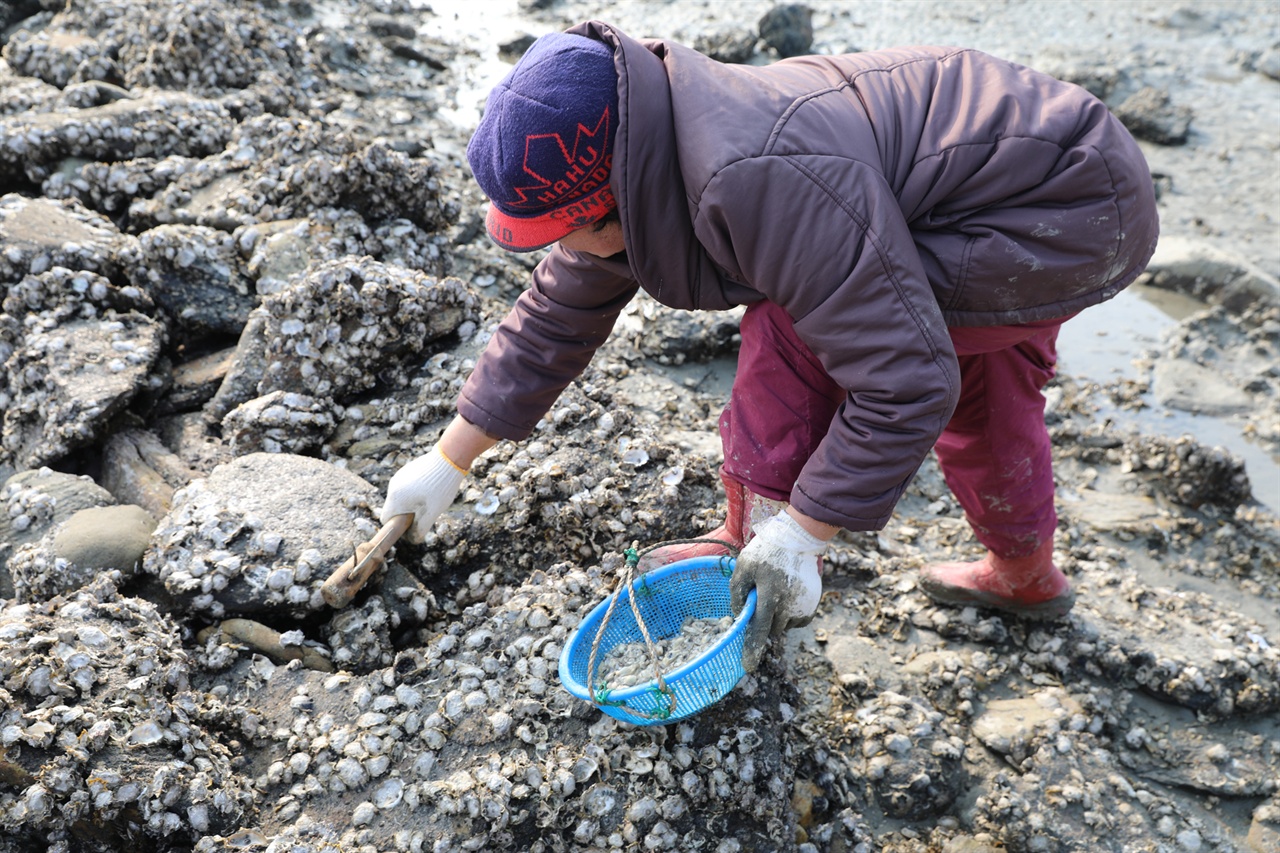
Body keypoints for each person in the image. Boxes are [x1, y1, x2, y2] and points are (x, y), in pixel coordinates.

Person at [380, 21, 1159, 672]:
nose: (566, 250)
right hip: (1026, 174)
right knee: (980, 372)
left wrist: (804, 532)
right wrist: (449, 459)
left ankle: (752, 537)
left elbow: (906, 381)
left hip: (1064, 209)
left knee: (798, 324)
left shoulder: (754, 178)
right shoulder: (646, 131)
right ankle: (1024, 576)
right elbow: (558, 309)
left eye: (565, 229)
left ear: (612, 192)